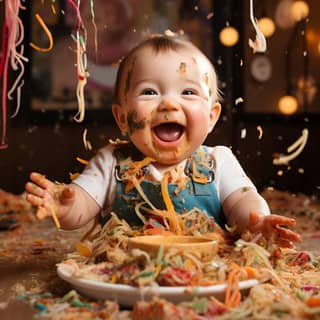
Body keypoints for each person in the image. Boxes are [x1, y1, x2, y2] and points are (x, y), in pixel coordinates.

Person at [25, 34, 300, 247]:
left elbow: (243, 202)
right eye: (149, 92)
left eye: (189, 92)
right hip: (124, 273)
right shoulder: (111, 162)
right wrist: (65, 206)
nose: (169, 103)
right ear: (122, 118)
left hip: (207, 270)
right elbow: (82, 207)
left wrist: (256, 221)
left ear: (212, 116)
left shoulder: (218, 162)